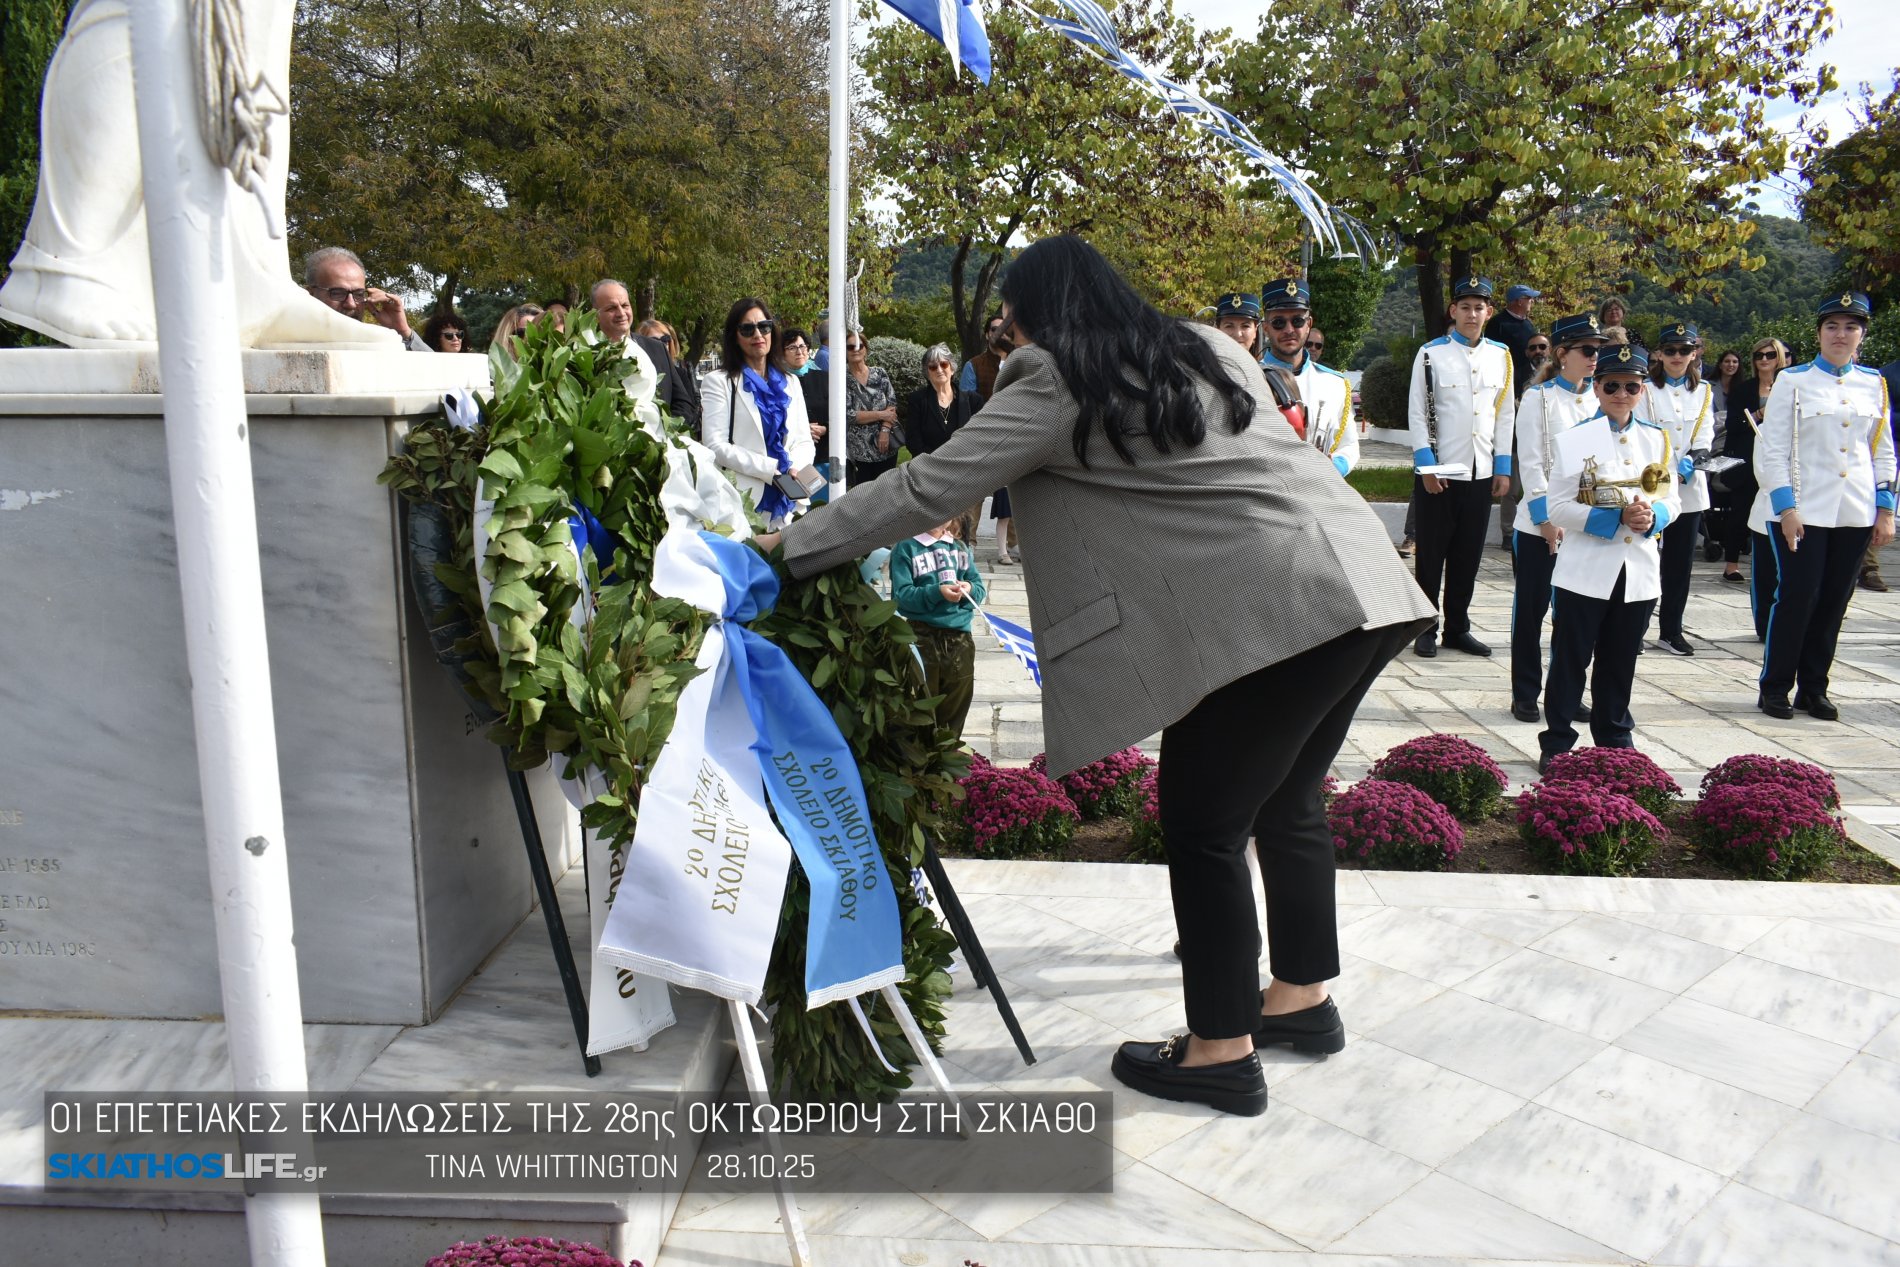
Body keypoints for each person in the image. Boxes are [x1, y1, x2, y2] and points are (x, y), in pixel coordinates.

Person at [753, 234, 1434, 1117]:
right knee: (1287, 797)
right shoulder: (1208, 341)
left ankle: (1220, 1049)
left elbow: (926, 488)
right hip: (1365, 583)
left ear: (1041, 313)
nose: (1006, 335)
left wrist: (783, 551)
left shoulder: (1055, 379)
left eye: (1009, 319)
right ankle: (1300, 999)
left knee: (1201, 819)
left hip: (1284, 613)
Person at [1753, 292, 1896, 721]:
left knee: (1835, 600)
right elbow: (1773, 451)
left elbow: (1883, 452)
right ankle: (1776, 686)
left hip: (1854, 511)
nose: (1841, 334)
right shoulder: (1792, 382)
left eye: (1851, 327)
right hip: (1804, 511)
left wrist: (1885, 509)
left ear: (1862, 335)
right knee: (1797, 598)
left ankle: (1814, 688)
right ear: (1819, 332)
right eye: (1832, 326)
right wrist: (1786, 507)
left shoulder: (1874, 384)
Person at [1539, 344, 1680, 769]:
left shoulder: (1656, 438)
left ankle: (1614, 737)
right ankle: (1558, 741)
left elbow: (1671, 499)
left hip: (1636, 569)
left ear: (1641, 390)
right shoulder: (1575, 439)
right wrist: (1615, 517)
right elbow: (1557, 508)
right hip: (1586, 570)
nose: (1622, 394)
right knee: (1571, 660)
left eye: (1631, 386)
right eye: (1612, 385)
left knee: (1620, 661)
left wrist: (1652, 517)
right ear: (1597, 388)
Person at [1407, 276, 1516, 657]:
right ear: (1453, 311)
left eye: (1480, 307)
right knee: (1432, 554)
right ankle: (1425, 626)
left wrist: (1502, 466)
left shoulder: (1501, 356)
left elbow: (1504, 415)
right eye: (1465, 307)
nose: (1473, 313)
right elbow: (1418, 414)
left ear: (1488, 312)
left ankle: (1458, 627)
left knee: (1468, 555)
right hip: (1440, 471)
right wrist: (1427, 466)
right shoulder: (1430, 354)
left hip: (1481, 470)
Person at [1508, 313, 1606, 723]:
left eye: (1598, 350)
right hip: (1540, 526)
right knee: (1532, 613)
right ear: (1563, 353)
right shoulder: (1539, 398)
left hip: (1583, 525)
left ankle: (1566, 691)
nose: (1594, 357)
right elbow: (1531, 464)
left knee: (1575, 618)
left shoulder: (1601, 398)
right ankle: (1526, 692)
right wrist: (1545, 519)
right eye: (1587, 349)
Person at [698, 297, 816, 530]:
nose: (758, 335)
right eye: (747, 328)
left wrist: (795, 468)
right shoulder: (719, 382)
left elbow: (803, 438)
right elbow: (715, 445)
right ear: (735, 335)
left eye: (764, 326)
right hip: (743, 500)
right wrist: (768, 469)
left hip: (791, 499)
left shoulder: (791, 381)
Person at [1642, 321, 1716, 656]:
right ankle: (1637, 625)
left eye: (1684, 350)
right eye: (1670, 350)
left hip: (1688, 490)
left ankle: (1671, 629)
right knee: (1644, 560)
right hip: (1650, 486)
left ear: (1694, 353)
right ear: (1659, 353)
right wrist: (1666, 471)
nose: (1676, 356)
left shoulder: (1704, 392)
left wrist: (1687, 466)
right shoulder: (1644, 388)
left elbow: (1705, 438)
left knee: (1678, 566)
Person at [890, 517, 987, 741]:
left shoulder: (959, 548)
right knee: (920, 705)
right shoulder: (906, 548)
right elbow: (902, 597)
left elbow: (979, 588)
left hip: (959, 640)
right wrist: (937, 592)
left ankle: (946, 757)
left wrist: (969, 588)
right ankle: (922, 761)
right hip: (921, 637)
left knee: (956, 704)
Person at [1258, 278, 1358, 476]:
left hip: (1320, 493)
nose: (1289, 330)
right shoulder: (1247, 379)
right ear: (1266, 327)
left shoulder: (1335, 385)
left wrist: (1334, 468)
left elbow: (1349, 445)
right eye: (1279, 322)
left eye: (1297, 321)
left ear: (1309, 324)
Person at [1729, 338, 1790, 620]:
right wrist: (1759, 414)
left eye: (1770, 355)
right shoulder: (1744, 390)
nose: (1763, 359)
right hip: (1752, 463)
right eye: (1758, 355)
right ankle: (1733, 564)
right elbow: (1734, 424)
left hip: (1788, 472)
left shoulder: (1790, 385)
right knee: (1743, 516)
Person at [590, 279, 701, 426]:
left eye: (625, 305)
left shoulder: (657, 348)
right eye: (611, 308)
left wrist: (664, 433)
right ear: (595, 314)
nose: (621, 313)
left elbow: (682, 402)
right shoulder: (587, 354)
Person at [305, 247, 428, 350]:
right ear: (310, 294)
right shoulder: (290, 341)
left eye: (358, 294)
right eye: (337, 293)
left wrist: (402, 331)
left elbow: (440, 374)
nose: (351, 304)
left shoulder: (375, 344)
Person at [841, 331, 901, 488]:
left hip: (886, 447)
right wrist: (881, 414)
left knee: (887, 491)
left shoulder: (879, 373)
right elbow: (848, 415)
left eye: (860, 346)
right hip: (860, 451)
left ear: (865, 349)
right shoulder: (841, 379)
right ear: (844, 351)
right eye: (850, 347)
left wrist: (885, 430)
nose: (856, 350)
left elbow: (892, 402)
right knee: (864, 497)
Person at [908, 344, 983, 456]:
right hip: (930, 466)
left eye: (944, 364)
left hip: (965, 464)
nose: (939, 370)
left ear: (952, 369)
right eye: (933, 367)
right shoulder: (917, 401)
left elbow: (979, 437)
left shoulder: (973, 401)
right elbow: (913, 441)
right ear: (927, 373)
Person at [1485, 284, 1542, 397]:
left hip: (1529, 380)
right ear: (1520, 301)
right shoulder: (1497, 323)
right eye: (1529, 298)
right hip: (1506, 382)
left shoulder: (1528, 324)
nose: (1532, 301)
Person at [959, 313, 1012, 399]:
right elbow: (966, 405)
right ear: (987, 335)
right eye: (995, 329)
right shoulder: (973, 366)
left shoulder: (1021, 362)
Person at [1210, 291, 1263, 360]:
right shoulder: (1203, 369)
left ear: (1255, 331)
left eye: (1245, 326)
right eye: (1229, 326)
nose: (1237, 334)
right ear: (1218, 329)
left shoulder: (1264, 370)